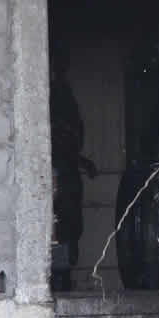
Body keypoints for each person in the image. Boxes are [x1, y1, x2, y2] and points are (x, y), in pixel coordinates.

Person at [50, 41, 97, 291]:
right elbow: (53, 135)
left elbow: (68, 136)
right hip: (54, 170)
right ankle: (59, 278)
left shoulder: (62, 91)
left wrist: (78, 160)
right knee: (58, 224)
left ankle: (64, 276)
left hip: (66, 167)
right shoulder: (49, 92)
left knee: (70, 225)